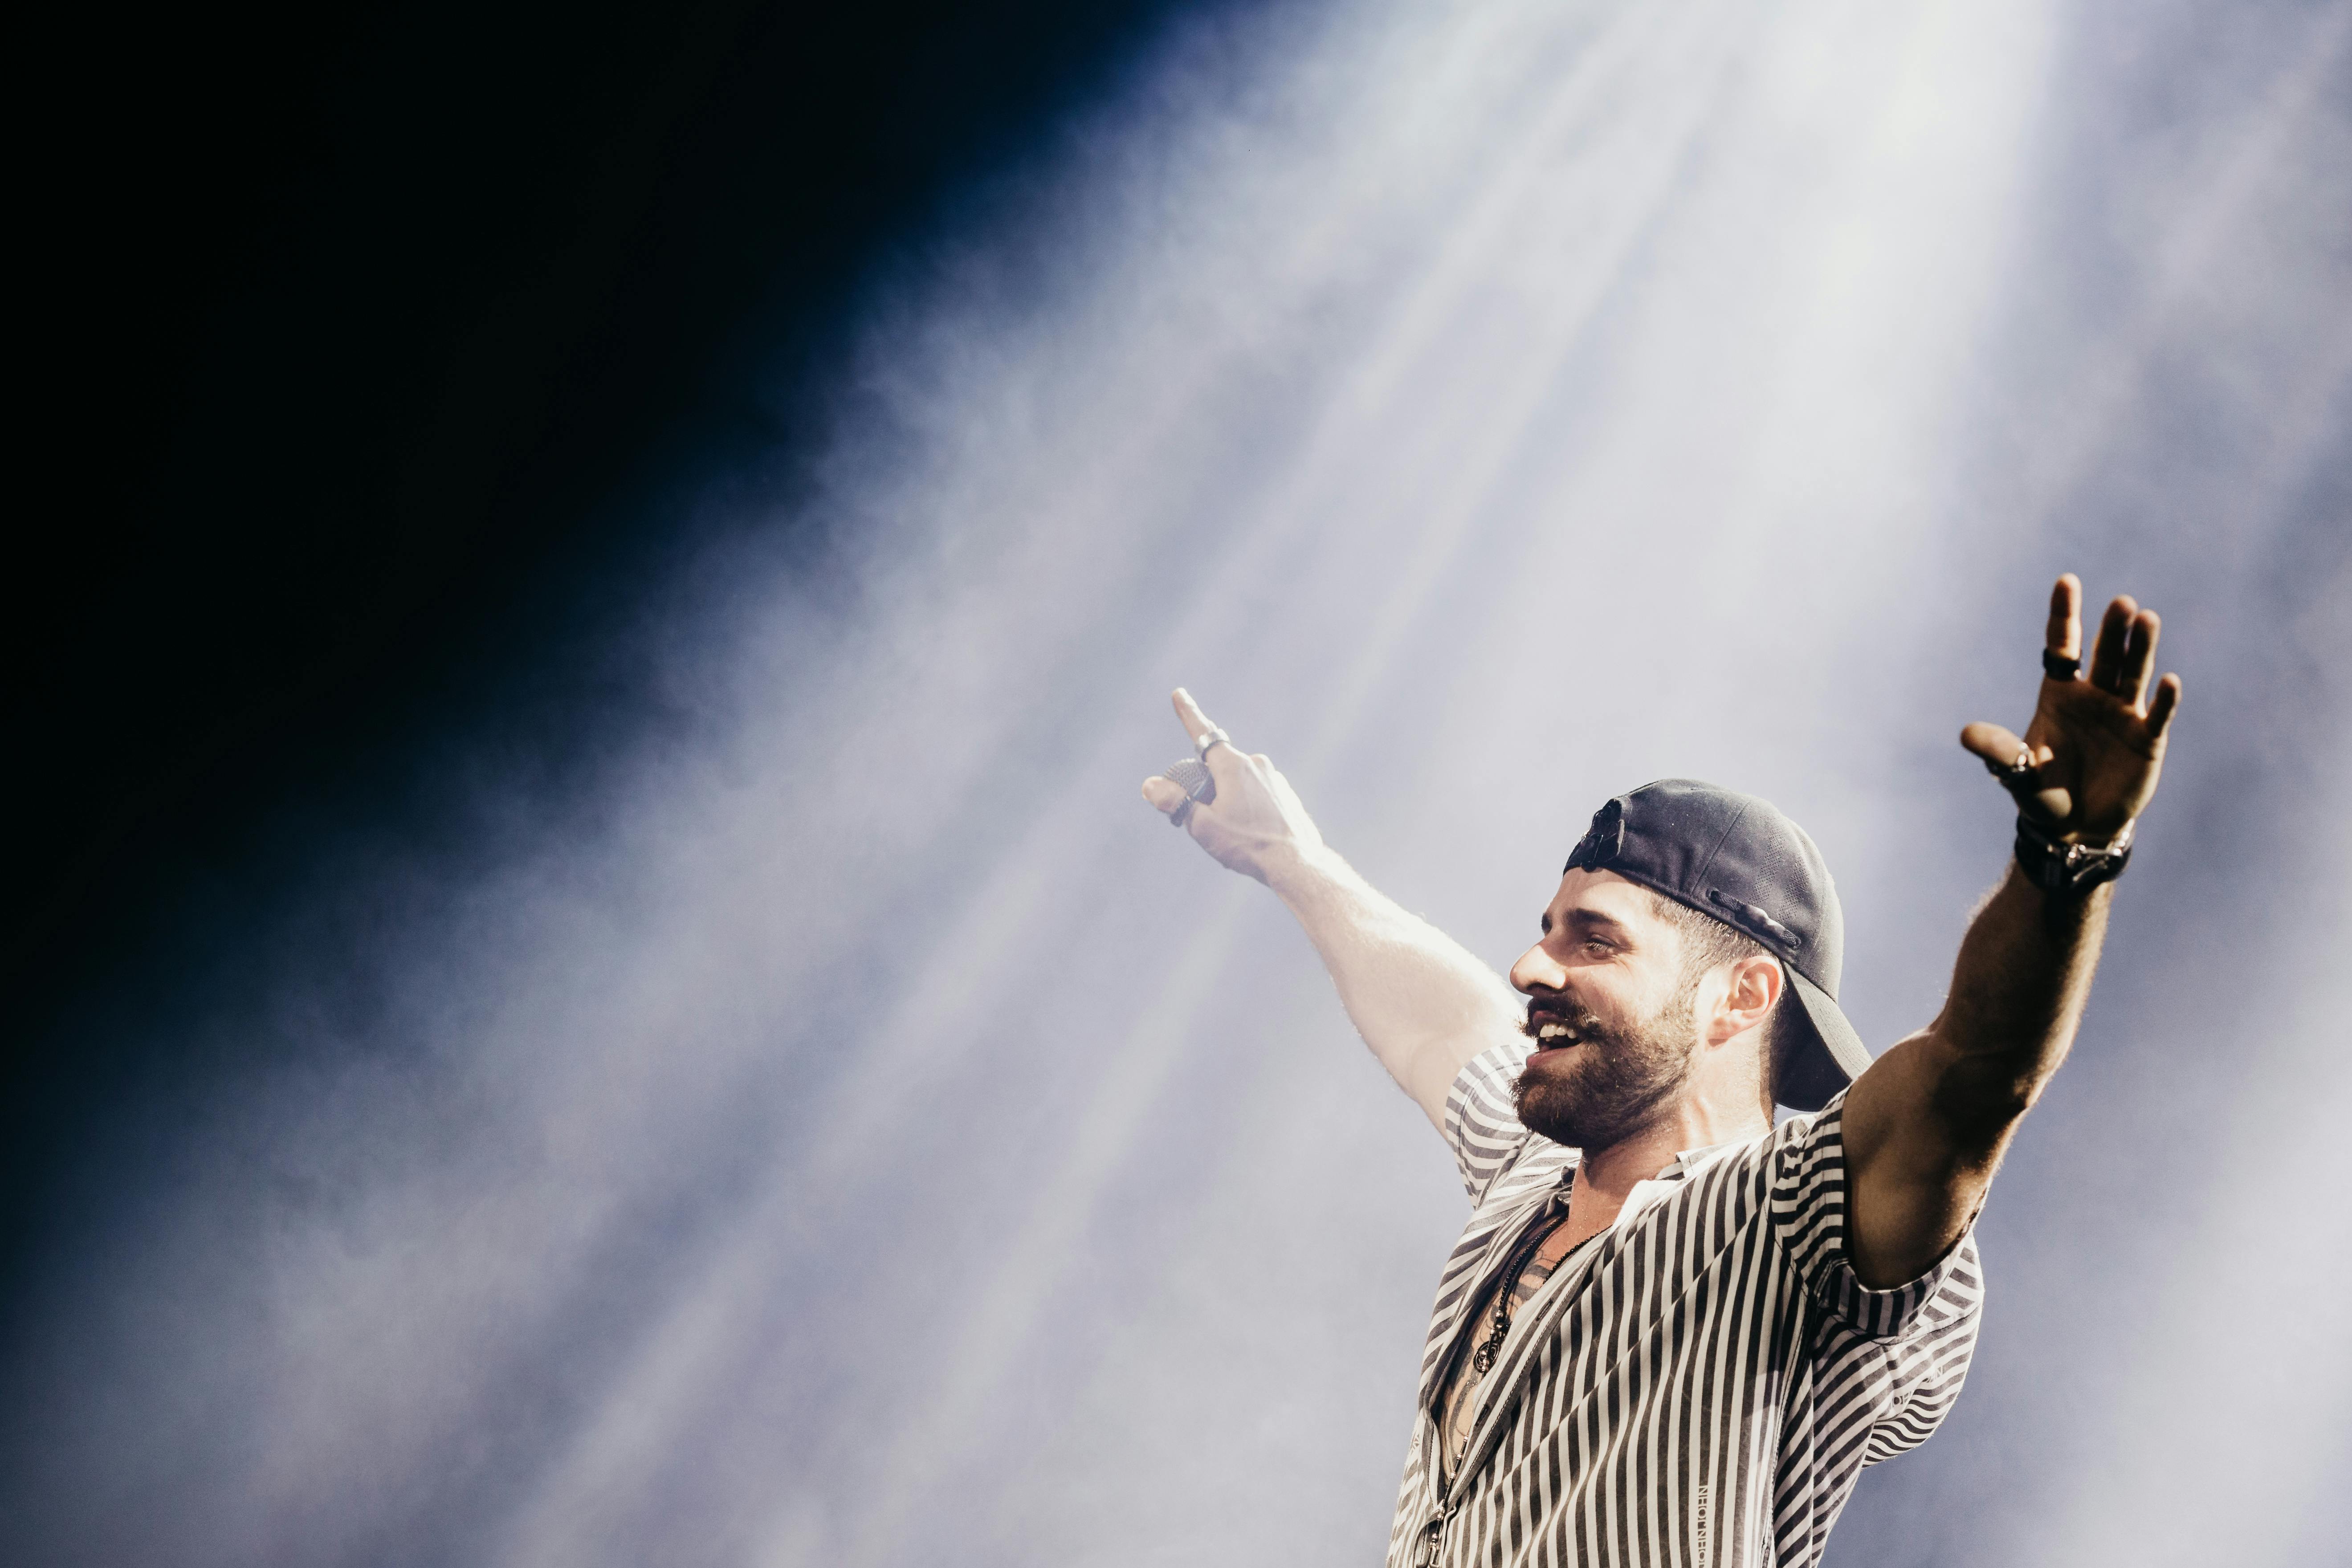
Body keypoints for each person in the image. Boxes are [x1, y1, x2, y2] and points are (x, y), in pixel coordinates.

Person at [1139, 574, 2180, 1568]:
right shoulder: (1530, 1173)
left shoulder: (1797, 1218)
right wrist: (1287, 854)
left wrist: (2067, 868)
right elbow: (1435, 1014)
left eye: (1593, 939)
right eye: (1545, 930)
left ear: (1741, 995)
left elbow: (1972, 1081)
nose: (1528, 967)